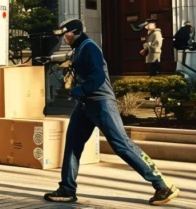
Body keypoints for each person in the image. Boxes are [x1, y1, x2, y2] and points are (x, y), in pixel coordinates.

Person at [44, 18, 179, 206]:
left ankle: (162, 186)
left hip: (101, 104)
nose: (63, 38)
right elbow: (72, 62)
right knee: (72, 145)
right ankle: (67, 189)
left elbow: (98, 76)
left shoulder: (90, 47)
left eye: (64, 34)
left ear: (74, 32)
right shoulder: (78, 49)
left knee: (122, 145)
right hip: (85, 105)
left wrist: (80, 90)